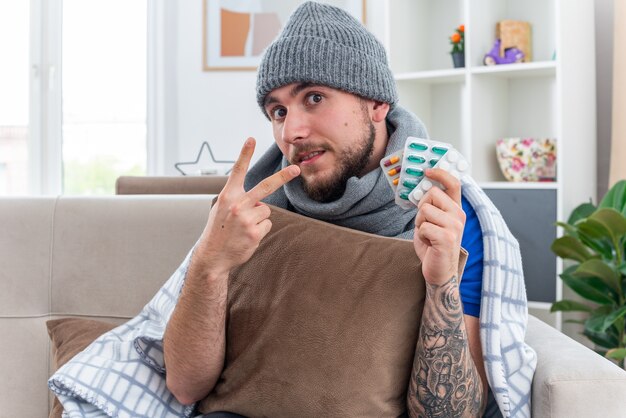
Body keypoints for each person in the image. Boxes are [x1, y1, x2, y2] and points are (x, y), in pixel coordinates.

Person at [163, 2, 492, 417]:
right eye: (278, 111)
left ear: (377, 104)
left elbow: (451, 415)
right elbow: (185, 386)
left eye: (314, 98)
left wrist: (441, 281)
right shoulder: (251, 210)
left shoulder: (446, 218)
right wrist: (209, 264)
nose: (291, 131)